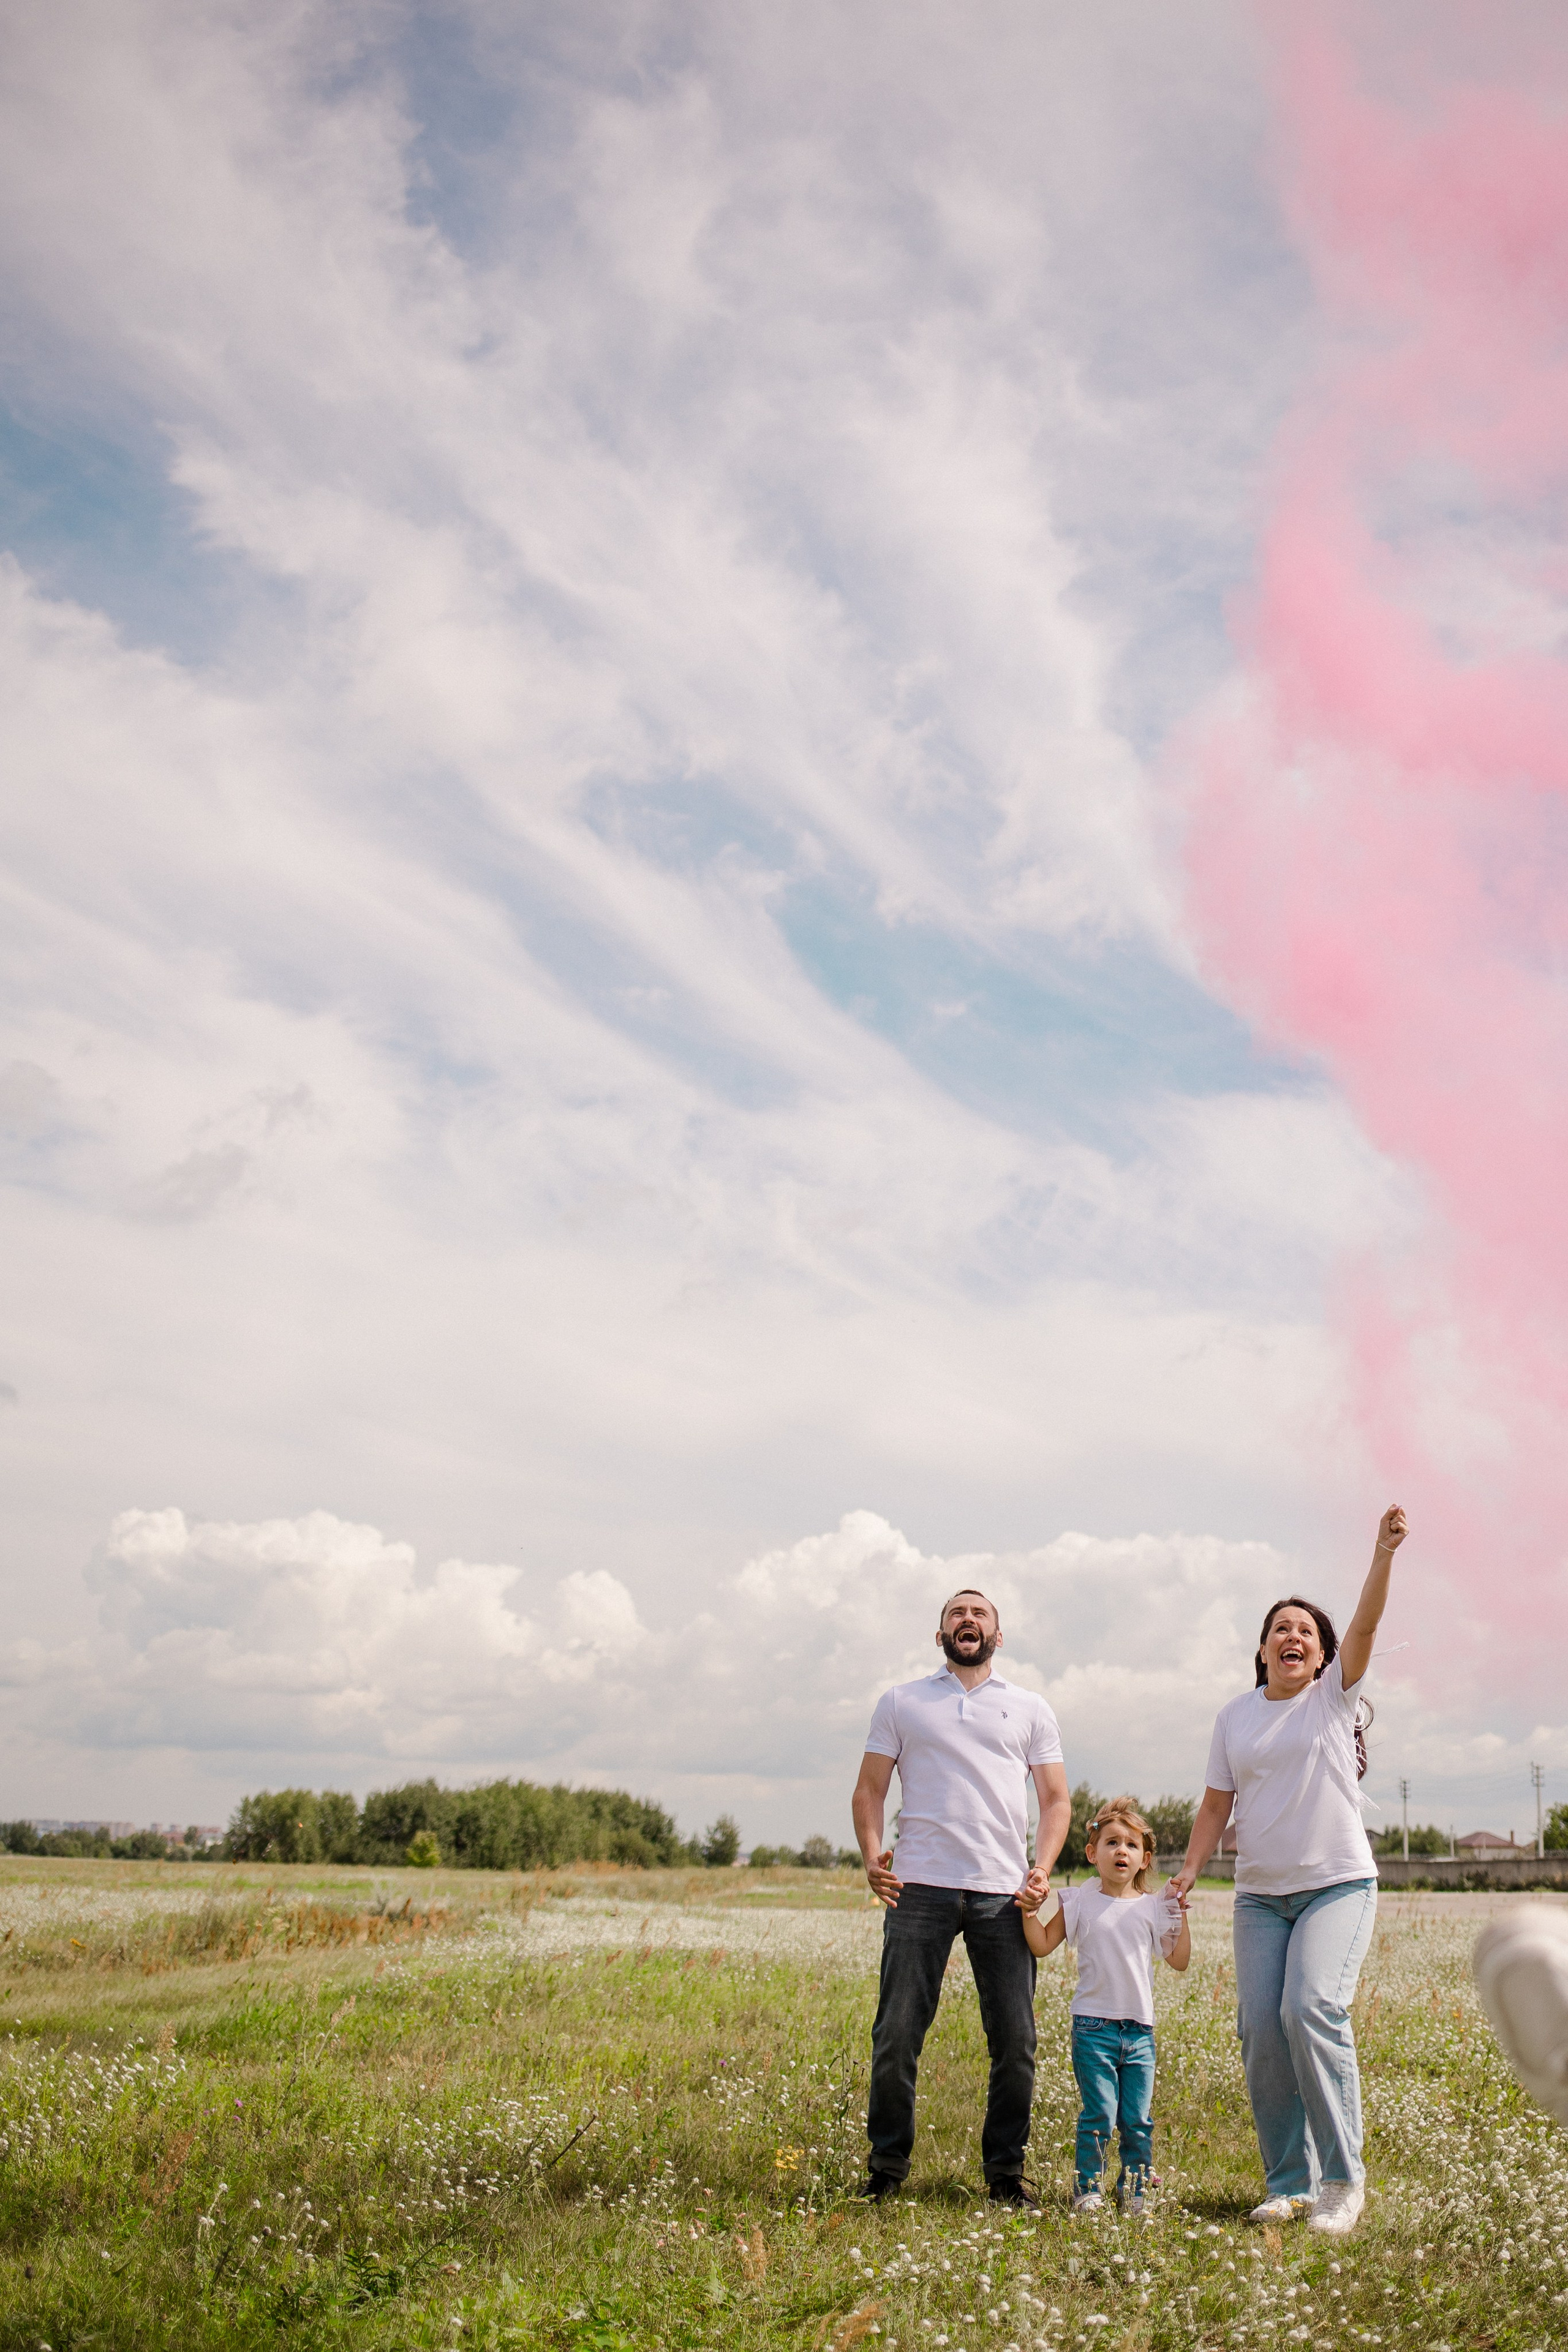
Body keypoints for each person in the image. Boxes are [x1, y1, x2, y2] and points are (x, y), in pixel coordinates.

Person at [1170, 1505, 1408, 2239]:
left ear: (1321, 1653)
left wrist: (1381, 1553)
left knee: (1310, 2010)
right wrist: (1185, 1873)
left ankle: (1343, 2181)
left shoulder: (1333, 1701)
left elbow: (1364, 1629)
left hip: (1337, 1885)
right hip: (1259, 1900)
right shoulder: (1234, 1717)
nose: (1293, 1636)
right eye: (1281, 1628)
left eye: (1306, 1629)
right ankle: (1288, 2184)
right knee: (1260, 2030)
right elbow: (1215, 1807)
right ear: (1263, 1649)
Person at [852, 1587, 1073, 2206]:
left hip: (1001, 1895)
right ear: (941, 1633)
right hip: (918, 1887)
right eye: (956, 1613)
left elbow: (1056, 1801)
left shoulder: (1029, 1708)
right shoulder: (902, 1702)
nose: (967, 1619)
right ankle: (886, 2169)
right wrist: (873, 1857)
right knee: (896, 2033)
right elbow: (869, 1790)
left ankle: (1005, 2175)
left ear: (997, 1637)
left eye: (979, 1614)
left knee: (1015, 2039)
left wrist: (1043, 1867)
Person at [1019, 1796, 1189, 2216]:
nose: (1121, 1852)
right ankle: (1087, 2188)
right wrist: (1027, 1912)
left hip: (1140, 2032)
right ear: (1093, 1853)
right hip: (1093, 2028)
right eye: (1112, 1843)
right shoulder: (1079, 1902)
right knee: (1099, 2113)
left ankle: (1134, 2190)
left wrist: (1180, 1917)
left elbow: (1179, 1960)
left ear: (1145, 1859)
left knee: (1137, 2119)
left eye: (1131, 1846)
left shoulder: (1153, 1907)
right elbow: (1040, 1944)